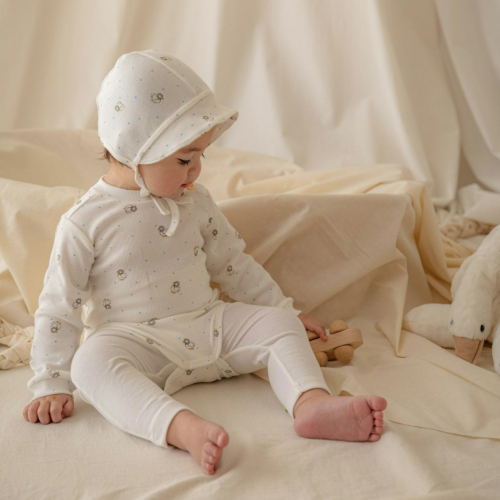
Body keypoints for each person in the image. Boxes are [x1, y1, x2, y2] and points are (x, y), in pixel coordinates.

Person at [22, 49, 387, 476]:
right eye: (183, 159)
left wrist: (283, 310)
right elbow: (58, 305)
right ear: (134, 149)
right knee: (90, 365)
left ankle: (312, 404)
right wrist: (50, 382)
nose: (195, 171)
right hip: (133, 341)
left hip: (209, 323)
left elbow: (233, 264)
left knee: (279, 326)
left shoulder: (196, 202)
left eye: (200, 156)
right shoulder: (84, 221)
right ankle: (182, 428)